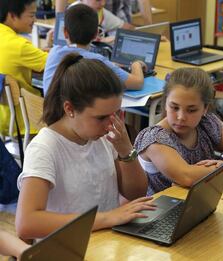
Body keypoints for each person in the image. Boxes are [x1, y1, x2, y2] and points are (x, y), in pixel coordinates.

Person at [15, 53, 154, 240]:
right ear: (70, 109)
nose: (110, 124)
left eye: (116, 113)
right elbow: (26, 224)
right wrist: (105, 218)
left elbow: (136, 192)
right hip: (67, 248)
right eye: (101, 117)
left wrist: (125, 150)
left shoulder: (104, 136)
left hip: (104, 244)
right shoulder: (45, 148)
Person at [134, 67, 223, 195]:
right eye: (174, 107)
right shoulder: (154, 138)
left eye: (191, 110)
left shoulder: (206, 122)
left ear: (205, 109)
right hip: (161, 214)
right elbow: (188, 177)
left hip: (198, 201)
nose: (181, 117)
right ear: (165, 104)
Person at [42, 4, 145, 94]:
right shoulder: (97, 61)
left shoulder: (54, 52)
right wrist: (136, 64)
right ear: (96, 34)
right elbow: (138, 83)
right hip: (78, 116)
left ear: (65, 32)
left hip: (52, 114)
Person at [0, 0, 48, 135]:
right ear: (12, 16)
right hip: (27, 121)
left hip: (3, 118)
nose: (35, 19)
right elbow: (56, 63)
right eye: (31, 15)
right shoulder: (19, 46)